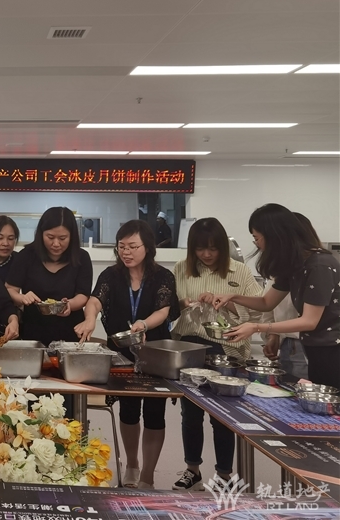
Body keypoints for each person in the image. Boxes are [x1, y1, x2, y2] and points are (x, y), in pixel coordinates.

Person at [75, 220, 179, 489]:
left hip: (155, 354)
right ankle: (132, 465)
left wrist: (144, 323)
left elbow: (164, 310)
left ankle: (148, 475)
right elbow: (95, 300)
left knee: (155, 414)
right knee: (128, 411)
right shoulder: (111, 275)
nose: (126, 252)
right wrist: (90, 318)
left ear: (148, 247)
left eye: (133, 246)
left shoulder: (163, 277)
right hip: (121, 354)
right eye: (122, 246)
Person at [169, 218, 263, 492]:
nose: (207, 254)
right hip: (188, 347)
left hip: (225, 349)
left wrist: (228, 302)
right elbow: (168, 307)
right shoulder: (181, 269)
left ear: (222, 246)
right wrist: (184, 303)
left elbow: (259, 312)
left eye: (213, 248)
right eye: (200, 249)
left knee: (222, 415)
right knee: (190, 413)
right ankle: (192, 470)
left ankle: (224, 474)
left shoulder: (239, 271)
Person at [206, 203, 340, 390]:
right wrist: (233, 296)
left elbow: (309, 321)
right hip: (315, 348)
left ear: (274, 235)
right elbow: (266, 302)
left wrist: (256, 327)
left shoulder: (319, 265)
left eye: (256, 238)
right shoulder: (295, 264)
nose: (256, 244)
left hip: (332, 350)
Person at [6, 207, 92, 345]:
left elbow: (83, 295)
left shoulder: (81, 257)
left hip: (71, 331)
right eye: (50, 237)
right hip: (33, 331)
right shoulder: (26, 255)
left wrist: (69, 305)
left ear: (72, 236)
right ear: (41, 234)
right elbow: (10, 289)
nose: (56, 244)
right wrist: (22, 298)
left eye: (62, 238)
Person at [259, 212, 318, 380]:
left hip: (306, 346)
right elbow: (268, 305)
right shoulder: (284, 272)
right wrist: (274, 335)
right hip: (287, 345)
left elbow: (309, 321)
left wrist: (257, 327)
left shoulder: (316, 268)